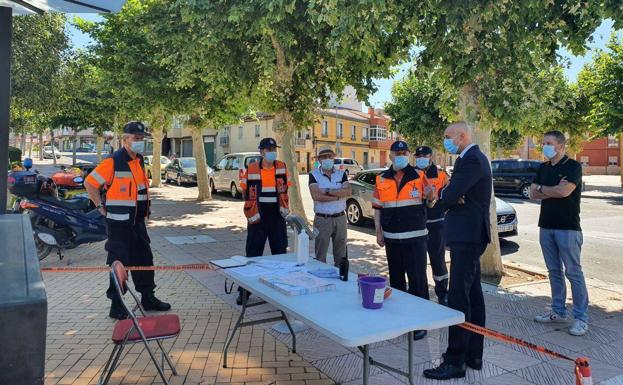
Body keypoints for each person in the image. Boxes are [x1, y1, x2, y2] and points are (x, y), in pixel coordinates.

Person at [423, 122, 492, 380]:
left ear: (462, 137)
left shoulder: (472, 159)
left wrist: (445, 197)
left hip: (468, 236)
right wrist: (450, 194)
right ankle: (473, 355)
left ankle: (455, 360)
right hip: (468, 234)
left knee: (458, 297)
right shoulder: (468, 159)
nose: (445, 141)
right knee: (473, 294)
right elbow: (453, 193)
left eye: (448, 137)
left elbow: (452, 196)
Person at [85, 121, 171, 320]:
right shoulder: (113, 161)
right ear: (125, 139)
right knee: (119, 264)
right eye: (136, 138)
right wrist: (99, 207)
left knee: (144, 260)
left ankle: (148, 297)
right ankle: (116, 305)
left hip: (137, 223)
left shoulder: (139, 161)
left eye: (142, 138)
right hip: (119, 225)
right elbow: (90, 184)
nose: (140, 142)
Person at [530, 130, 588, 336]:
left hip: (568, 228)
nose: (545, 146)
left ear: (561, 146)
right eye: (544, 142)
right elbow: (531, 193)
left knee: (573, 272)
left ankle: (581, 318)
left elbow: (564, 192)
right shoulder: (543, 167)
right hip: (546, 225)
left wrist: (543, 189)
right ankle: (558, 311)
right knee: (554, 271)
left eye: (549, 143)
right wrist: (551, 189)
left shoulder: (572, 166)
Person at [373, 140, 433, 341]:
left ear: (408, 155)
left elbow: (431, 201)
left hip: (415, 238)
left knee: (418, 281)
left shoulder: (420, 176)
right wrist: (378, 232)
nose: (400, 155)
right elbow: (377, 208)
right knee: (397, 281)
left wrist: (432, 195)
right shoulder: (381, 179)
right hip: (391, 239)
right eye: (397, 152)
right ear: (390, 155)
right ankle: (400, 320)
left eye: (404, 152)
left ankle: (421, 322)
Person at [239, 137, 291, 304]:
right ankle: (245, 291)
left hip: (277, 216)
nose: (272, 152)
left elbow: (286, 189)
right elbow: (245, 191)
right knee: (253, 254)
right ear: (261, 152)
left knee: (280, 254)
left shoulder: (282, 166)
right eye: (268, 150)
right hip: (258, 217)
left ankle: (281, 291)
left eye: (274, 149)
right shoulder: (252, 167)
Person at [414, 146, 450, 306]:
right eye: (419, 155)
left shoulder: (442, 175)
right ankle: (419, 293)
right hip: (416, 225)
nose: (421, 158)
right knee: (417, 261)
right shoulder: (411, 174)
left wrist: (436, 205)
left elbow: (449, 196)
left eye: (425, 155)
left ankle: (442, 293)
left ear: (431, 157)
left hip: (436, 224)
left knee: (438, 260)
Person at [308, 147, 352, 266]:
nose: (328, 159)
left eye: (330, 156)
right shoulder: (313, 174)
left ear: (334, 158)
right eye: (324, 157)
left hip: (340, 218)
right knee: (320, 254)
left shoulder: (341, 174)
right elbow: (316, 195)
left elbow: (348, 192)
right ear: (319, 159)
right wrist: (338, 196)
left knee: (341, 253)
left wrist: (326, 190)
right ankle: (320, 281)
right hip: (323, 219)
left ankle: (341, 277)